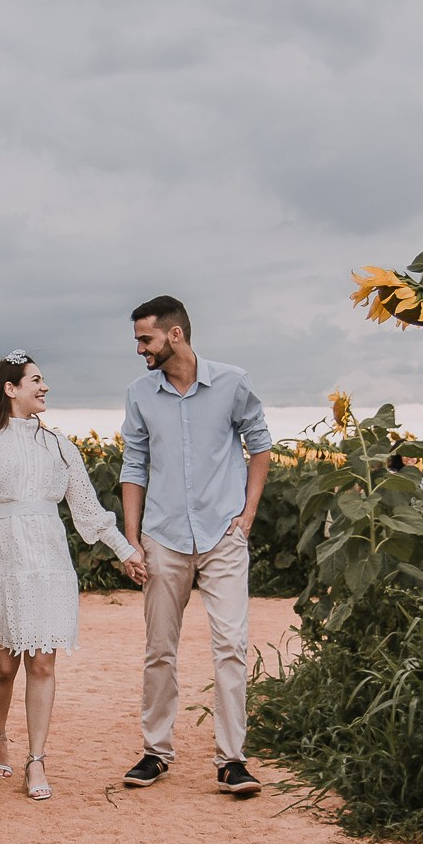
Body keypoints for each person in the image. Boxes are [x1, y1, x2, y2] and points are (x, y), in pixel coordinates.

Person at [0, 351, 148, 800]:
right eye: (36, 380)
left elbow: (88, 511)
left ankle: (36, 760)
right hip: (0, 562)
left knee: (42, 663)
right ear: (11, 388)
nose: (45, 388)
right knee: (3, 666)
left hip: (48, 563)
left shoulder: (61, 445)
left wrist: (125, 551)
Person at [117, 296, 272, 796]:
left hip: (223, 535)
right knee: (159, 648)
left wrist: (246, 518)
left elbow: (260, 445)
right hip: (163, 537)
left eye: (146, 339)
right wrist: (133, 540)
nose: (139, 348)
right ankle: (155, 753)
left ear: (175, 335)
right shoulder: (140, 394)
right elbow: (134, 466)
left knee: (230, 646)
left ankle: (232, 762)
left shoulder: (232, 382)